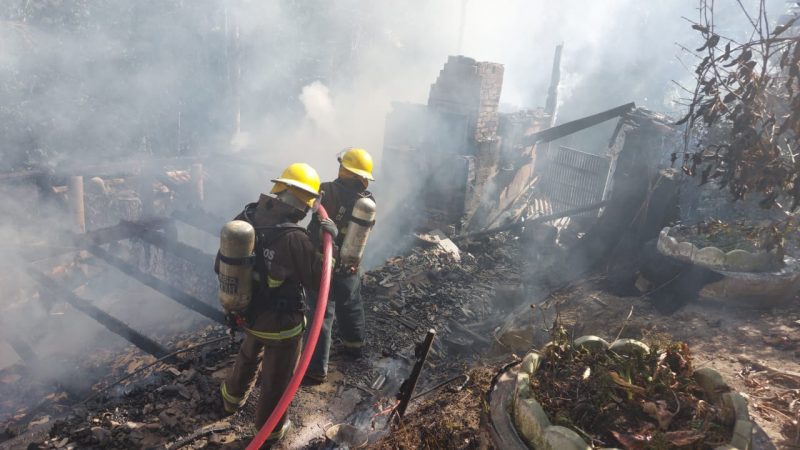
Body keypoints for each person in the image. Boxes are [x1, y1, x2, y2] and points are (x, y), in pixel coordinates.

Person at [215, 163, 337, 445]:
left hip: (247, 313)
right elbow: (320, 280)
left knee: (248, 355)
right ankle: (270, 431)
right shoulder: (295, 237)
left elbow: (219, 265)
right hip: (282, 324)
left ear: (278, 188)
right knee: (277, 381)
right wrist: (332, 243)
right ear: (304, 203)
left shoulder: (244, 219)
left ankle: (231, 401)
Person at [304, 148, 376, 384]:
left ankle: (316, 370)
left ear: (343, 170)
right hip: (348, 266)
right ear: (362, 177)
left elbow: (307, 211)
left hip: (320, 264)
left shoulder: (323, 190)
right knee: (351, 304)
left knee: (321, 315)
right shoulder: (367, 203)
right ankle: (354, 347)